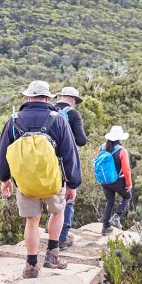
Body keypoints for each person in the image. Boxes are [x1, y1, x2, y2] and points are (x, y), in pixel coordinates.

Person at [0, 80, 81, 279]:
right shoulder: (58, 119)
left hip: (25, 183)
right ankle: (53, 256)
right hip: (53, 180)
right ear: (48, 97)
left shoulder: (14, 120)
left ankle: (31, 266)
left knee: (32, 221)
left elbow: (3, 152)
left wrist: (5, 178)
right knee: (57, 212)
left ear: (28, 97)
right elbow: (69, 154)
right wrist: (73, 183)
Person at [54, 86, 87, 250]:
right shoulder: (73, 114)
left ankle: (51, 234)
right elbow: (81, 140)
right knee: (67, 199)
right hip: (65, 162)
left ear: (60, 96)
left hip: (45, 162)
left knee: (50, 198)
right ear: (73, 99)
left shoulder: (49, 110)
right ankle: (62, 238)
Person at [94, 125, 132, 235]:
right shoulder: (122, 151)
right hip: (117, 181)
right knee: (127, 196)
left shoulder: (102, 147)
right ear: (120, 138)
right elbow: (126, 169)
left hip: (105, 181)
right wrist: (129, 184)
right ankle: (116, 216)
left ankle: (105, 228)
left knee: (110, 201)